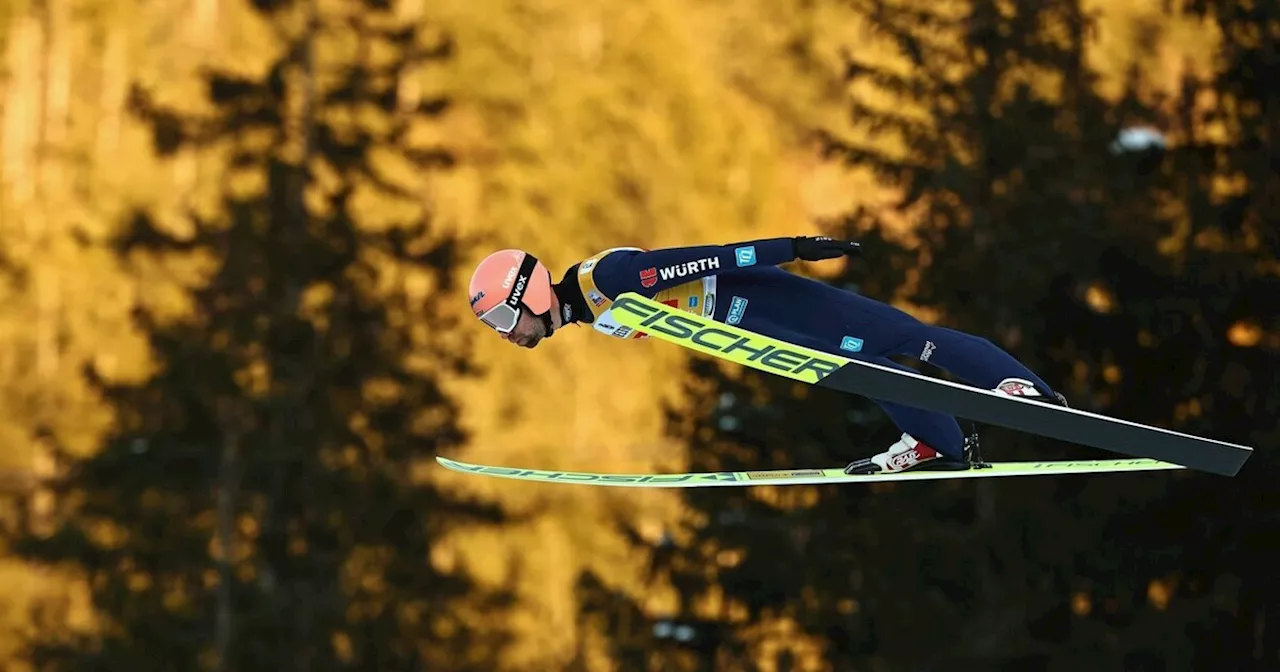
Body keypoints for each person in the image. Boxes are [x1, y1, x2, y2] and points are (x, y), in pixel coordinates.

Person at [466, 236, 1068, 474]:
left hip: (775, 302)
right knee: (865, 372)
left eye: (500, 317)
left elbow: (714, 258)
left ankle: (1019, 387)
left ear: (531, 294)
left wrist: (796, 248)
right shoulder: (591, 310)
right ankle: (936, 439)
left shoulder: (613, 277)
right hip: (761, 331)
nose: (504, 333)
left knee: (907, 339)